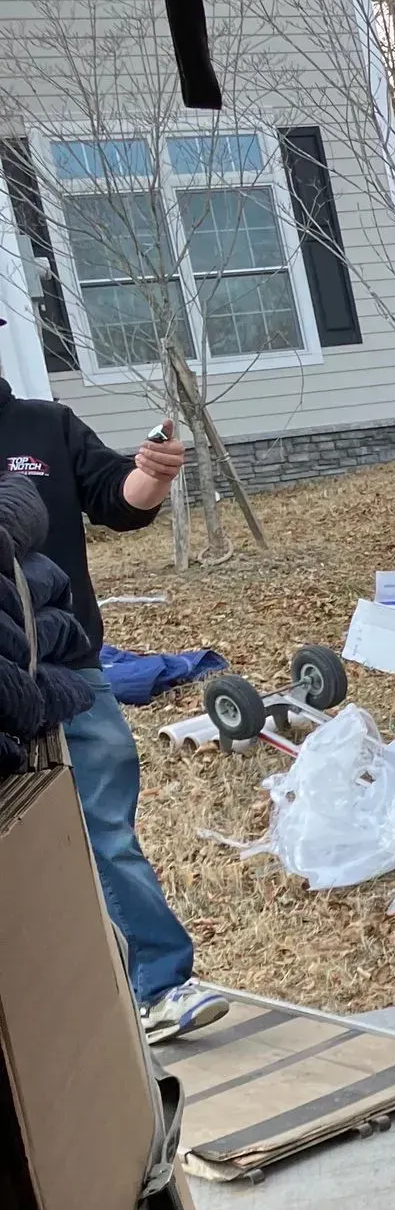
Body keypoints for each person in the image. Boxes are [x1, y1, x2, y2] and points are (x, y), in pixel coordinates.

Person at [0, 358, 227, 1041]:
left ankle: (160, 985)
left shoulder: (44, 426)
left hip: (67, 674)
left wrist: (153, 475)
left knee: (103, 832)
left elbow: (118, 499)